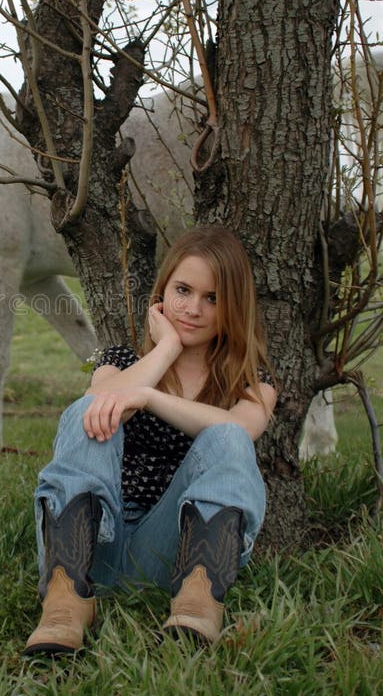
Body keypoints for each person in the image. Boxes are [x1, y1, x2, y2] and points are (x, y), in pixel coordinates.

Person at [23, 225, 277, 656]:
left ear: (233, 305)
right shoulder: (121, 361)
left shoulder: (250, 382)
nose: (193, 308)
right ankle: (63, 604)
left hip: (169, 556)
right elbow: (94, 405)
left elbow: (240, 431)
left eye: (212, 298)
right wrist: (166, 350)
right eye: (183, 290)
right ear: (163, 292)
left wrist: (147, 399)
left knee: (227, 437)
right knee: (91, 412)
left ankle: (198, 602)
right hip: (91, 549)